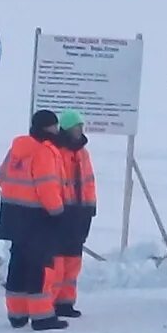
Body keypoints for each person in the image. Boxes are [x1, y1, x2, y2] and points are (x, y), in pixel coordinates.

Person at [0, 109, 72, 329]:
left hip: (12, 215)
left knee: (18, 263)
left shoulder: (18, 148)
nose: (58, 130)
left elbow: (1, 177)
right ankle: (42, 317)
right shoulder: (45, 152)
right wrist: (58, 212)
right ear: (49, 128)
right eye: (55, 126)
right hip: (38, 218)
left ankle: (17, 314)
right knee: (40, 267)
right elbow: (47, 186)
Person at [50, 109, 98, 319]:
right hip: (62, 212)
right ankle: (50, 302)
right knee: (58, 262)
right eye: (76, 127)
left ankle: (66, 302)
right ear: (66, 129)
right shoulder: (56, 151)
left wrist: (91, 206)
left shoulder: (83, 153)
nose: (79, 131)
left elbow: (89, 182)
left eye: (81, 127)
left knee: (73, 260)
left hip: (81, 212)